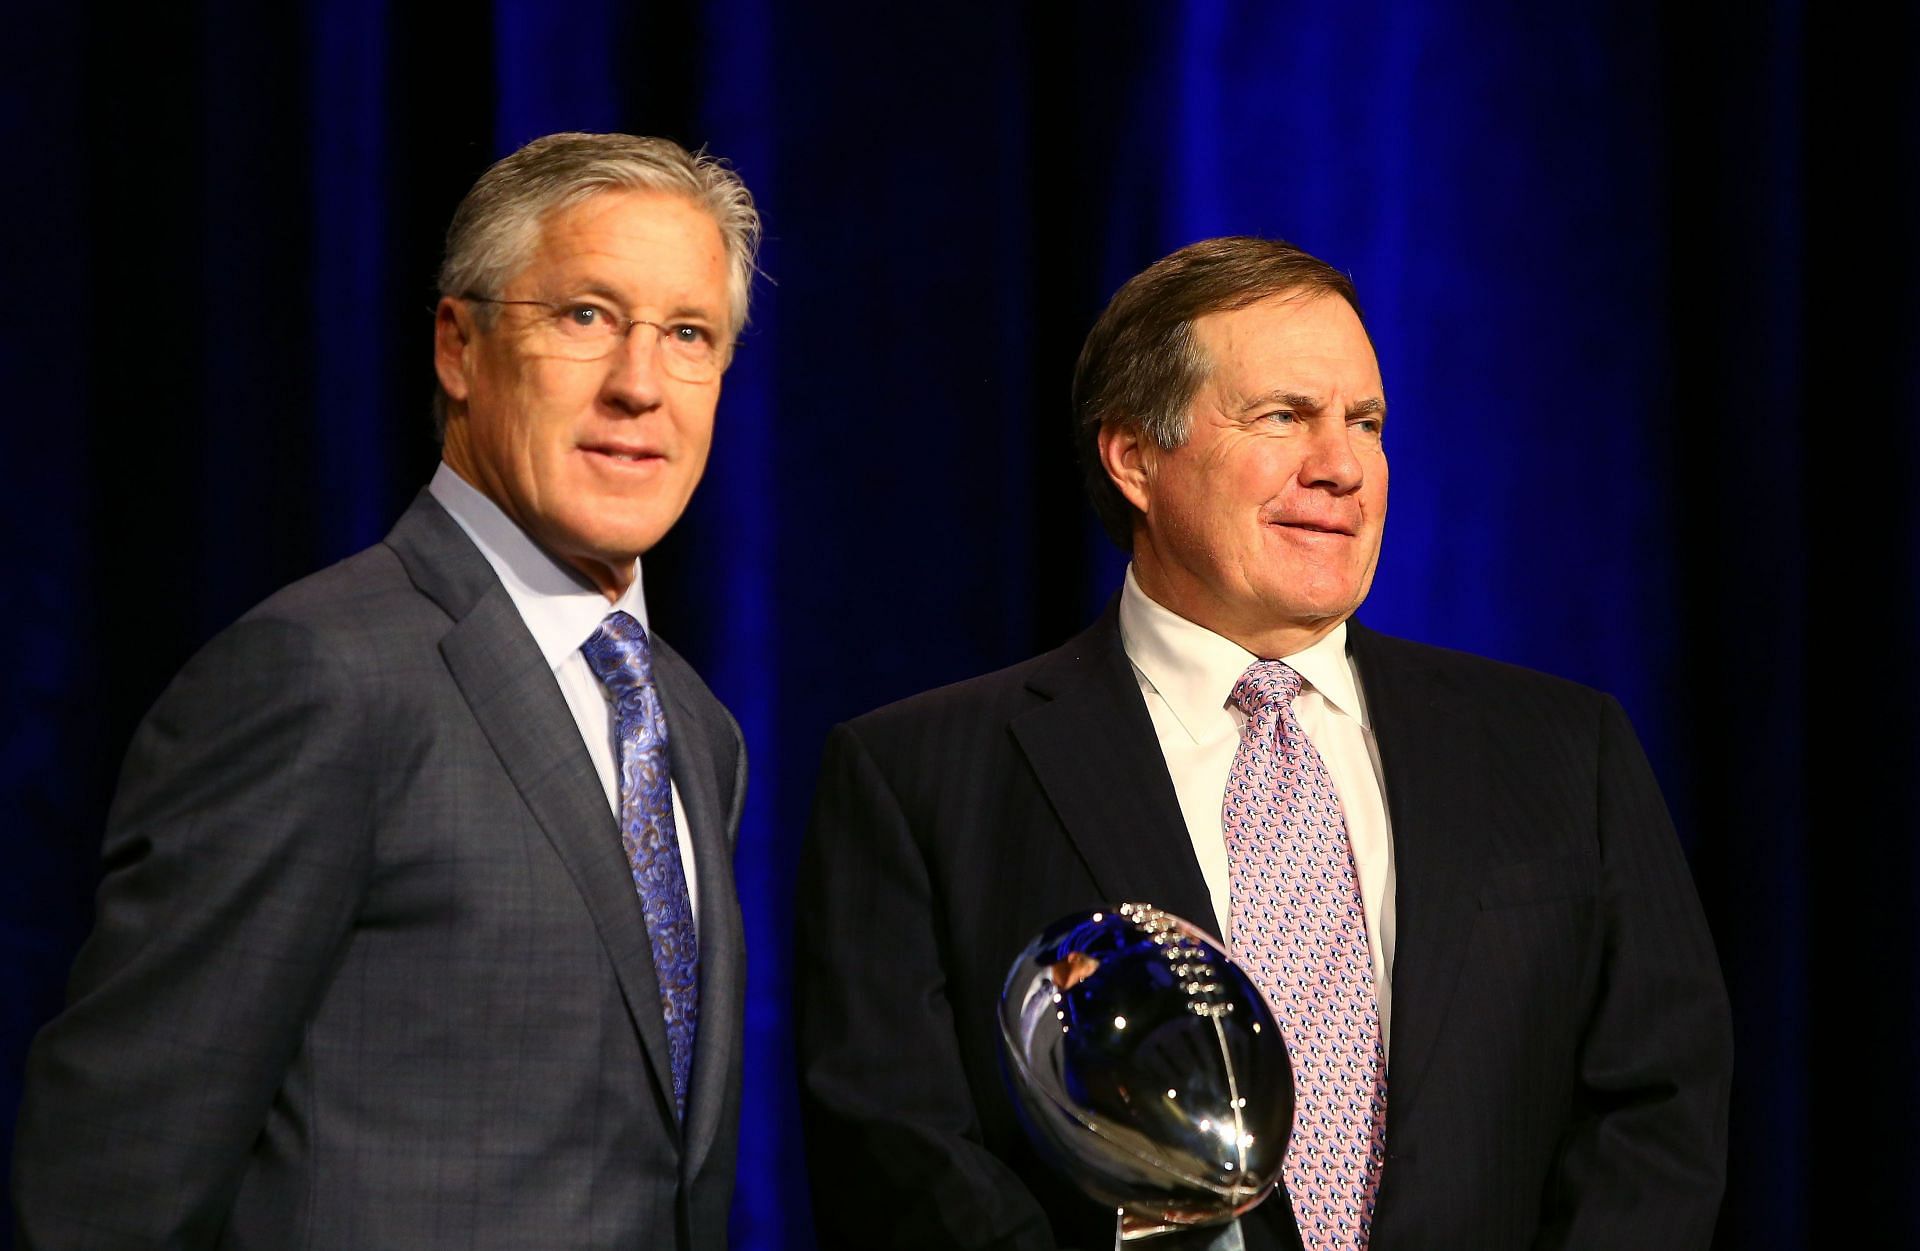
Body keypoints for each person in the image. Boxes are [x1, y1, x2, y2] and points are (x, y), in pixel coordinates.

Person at [794, 237, 1732, 1251]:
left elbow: (1658, 1114)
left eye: (1363, 423)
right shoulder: (921, 776)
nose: (1339, 467)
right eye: (1283, 417)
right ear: (1134, 457)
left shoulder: (1562, 752)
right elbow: (899, 1154)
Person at [12, 132, 759, 1250]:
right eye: (586, 316)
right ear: (460, 347)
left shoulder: (693, 727)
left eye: (688, 335)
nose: (640, 387)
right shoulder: (321, 677)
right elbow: (115, 1178)